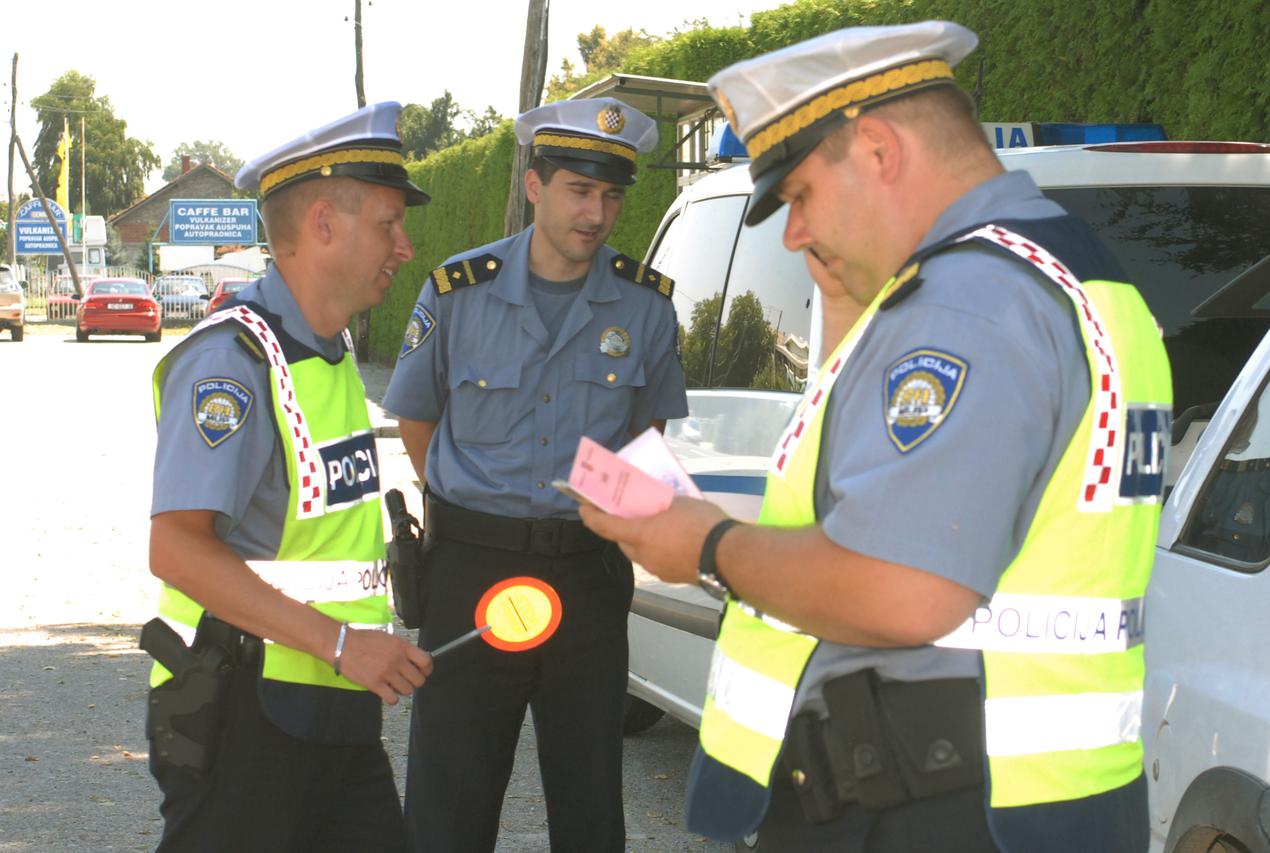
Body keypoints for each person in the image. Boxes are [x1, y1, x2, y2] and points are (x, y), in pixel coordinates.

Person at [581, 21, 1173, 853]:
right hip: (1035, 801)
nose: (790, 235)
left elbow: (905, 589)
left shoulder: (967, 302)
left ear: (878, 149)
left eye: (798, 197)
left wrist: (705, 545)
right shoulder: (1077, 278)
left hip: (930, 802)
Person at [383, 97, 687, 852]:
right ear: (534, 185)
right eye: (580, 191)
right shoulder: (461, 292)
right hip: (470, 572)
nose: (597, 213)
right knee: (451, 796)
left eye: (612, 195)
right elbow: (419, 419)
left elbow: (648, 432)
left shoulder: (645, 306)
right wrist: (477, 510)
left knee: (589, 798)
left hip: (588, 572)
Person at [145, 102, 434, 852]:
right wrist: (343, 644)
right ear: (323, 226)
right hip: (244, 712)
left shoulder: (331, 355)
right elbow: (177, 550)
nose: (404, 247)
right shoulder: (232, 362)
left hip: (331, 709)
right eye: (389, 223)